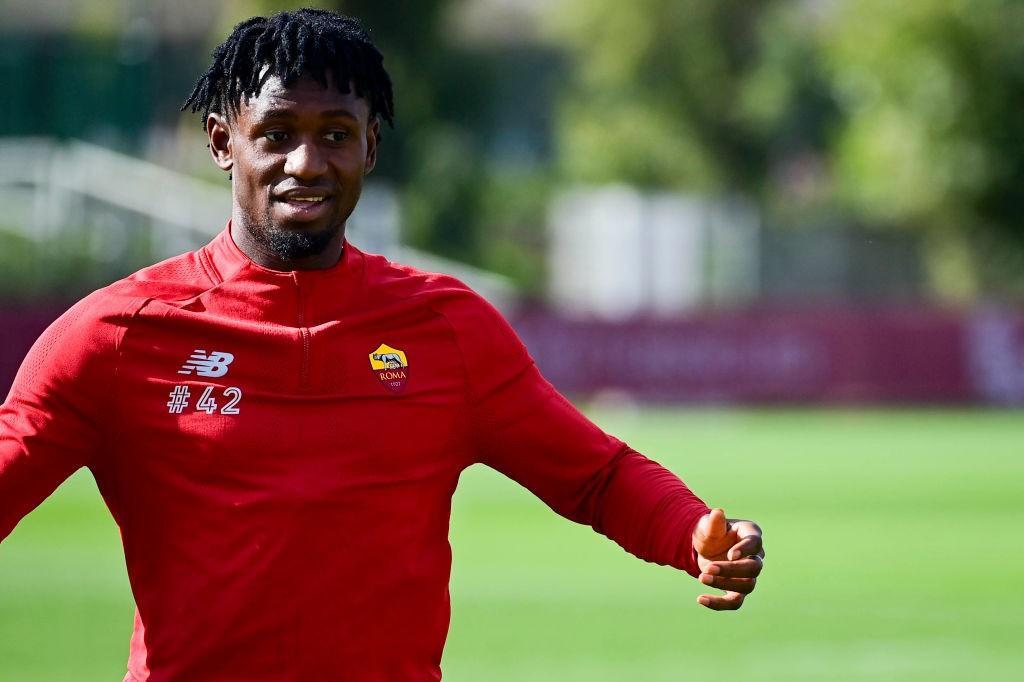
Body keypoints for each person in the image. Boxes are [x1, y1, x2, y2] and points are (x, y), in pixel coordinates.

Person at [0, 8, 764, 681]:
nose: (306, 163)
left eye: (334, 135)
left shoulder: (446, 328)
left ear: (369, 146)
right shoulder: (120, 333)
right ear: (221, 141)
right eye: (275, 134)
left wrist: (691, 533)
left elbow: (594, 476)